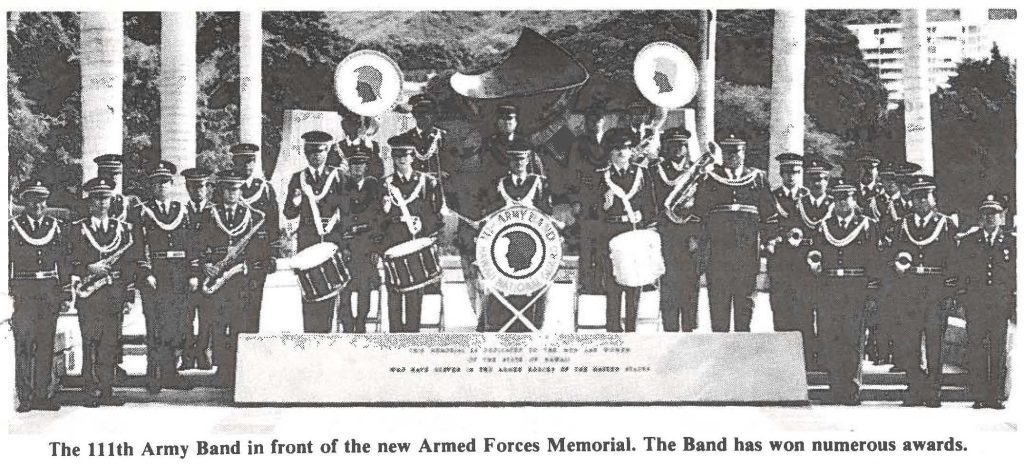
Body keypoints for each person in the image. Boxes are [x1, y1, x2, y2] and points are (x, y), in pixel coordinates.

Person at [806, 179, 882, 405]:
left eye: (846, 199)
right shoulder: (824, 226)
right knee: (830, 338)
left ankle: (852, 388)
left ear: (854, 200)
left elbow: (875, 261)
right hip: (830, 289)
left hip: (855, 289)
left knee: (853, 339)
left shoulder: (867, 225)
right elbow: (815, 255)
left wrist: (871, 293)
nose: (842, 204)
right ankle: (835, 387)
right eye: (838, 199)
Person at [886, 175, 958, 407]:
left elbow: (953, 262)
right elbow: (892, 256)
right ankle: (914, 388)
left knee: (935, 342)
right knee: (910, 341)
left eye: (925, 195)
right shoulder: (902, 225)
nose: (920, 201)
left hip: (935, 291)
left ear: (933, 198)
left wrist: (950, 295)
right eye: (916, 196)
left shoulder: (945, 224)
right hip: (908, 292)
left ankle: (934, 390)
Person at [70, 177, 139, 407]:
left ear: (111, 201)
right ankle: (90, 390)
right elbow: (67, 259)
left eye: (105, 198)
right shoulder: (78, 229)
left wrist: (128, 295)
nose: (101, 203)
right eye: (97, 198)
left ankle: (107, 389)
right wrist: (88, 267)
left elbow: (130, 265)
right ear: (89, 202)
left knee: (110, 341)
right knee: (90, 340)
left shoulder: (122, 229)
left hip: (113, 293)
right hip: (89, 294)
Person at [196, 170, 269, 386]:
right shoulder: (209, 214)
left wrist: (252, 269)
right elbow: (198, 243)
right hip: (218, 277)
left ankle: (238, 368)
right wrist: (205, 264)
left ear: (240, 192)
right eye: (228, 189)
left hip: (239, 278)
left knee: (239, 322)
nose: (231, 194)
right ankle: (221, 368)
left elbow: (258, 247)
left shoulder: (252, 215)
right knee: (219, 323)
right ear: (222, 191)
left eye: (235, 190)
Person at [690, 135, 770, 332]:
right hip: (718, 252)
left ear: (744, 154)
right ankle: (719, 352)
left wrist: (768, 242)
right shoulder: (709, 178)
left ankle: (741, 352)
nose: (733, 157)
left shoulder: (757, 177)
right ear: (722, 155)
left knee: (745, 304)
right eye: (728, 153)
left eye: (738, 152)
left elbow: (769, 214)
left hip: (747, 251)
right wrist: (696, 240)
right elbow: (698, 214)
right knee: (718, 302)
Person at [481, 142, 556, 332]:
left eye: (522, 159)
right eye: (514, 160)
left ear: (528, 160)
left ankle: (530, 321)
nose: (518, 164)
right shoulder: (499, 184)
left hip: (532, 243)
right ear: (509, 162)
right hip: (505, 243)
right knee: (503, 278)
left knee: (532, 280)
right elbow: (490, 211)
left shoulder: (539, 183)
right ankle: (502, 321)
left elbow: (547, 212)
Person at [8, 179, 69, 412]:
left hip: (49, 293)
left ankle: (43, 394)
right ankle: (25, 397)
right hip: (24, 293)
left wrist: (65, 292)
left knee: (45, 344)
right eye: (32, 199)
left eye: (42, 199)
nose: (38, 204)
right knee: (24, 345)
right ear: (24, 201)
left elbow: (62, 262)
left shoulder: (56, 226)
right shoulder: (12, 228)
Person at [590, 128, 659, 332]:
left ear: (632, 152)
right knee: (613, 282)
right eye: (617, 148)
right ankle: (613, 328)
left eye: (627, 148)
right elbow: (591, 210)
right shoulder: (601, 176)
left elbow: (650, 204)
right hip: (610, 231)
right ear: (610, 152)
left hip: (633, 229)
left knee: (634, 282)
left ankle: (631, 328)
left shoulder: (641, 173)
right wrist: (604, 205)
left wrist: (645, 222)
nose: (622, 152)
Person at [135, 161, 193, 393]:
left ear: (172, 184)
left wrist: (192, 273)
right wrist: (145, 272)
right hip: (155, 275)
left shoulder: (182, 210)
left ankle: (171, 372)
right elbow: (138, 245)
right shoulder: (142, 211)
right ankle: (154, 375)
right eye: (156, 183)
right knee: (154, 325)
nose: (161, 187)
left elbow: (190, 244)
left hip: (178, 275)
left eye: (165, 183)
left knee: (175, 325)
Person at [380, 135, 443, 333]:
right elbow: (376, 220)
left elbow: (436, 216)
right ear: (392, 158)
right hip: (392, 244)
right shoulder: (384, 185)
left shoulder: (427, 183)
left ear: (413, 157)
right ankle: (396, 336)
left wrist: (425, 231)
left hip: (416, 244)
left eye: (406, 156)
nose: (402, 160)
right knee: (395, 293)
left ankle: (412, 335)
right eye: (398, 156)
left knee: (415, 293)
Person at [956, 195, 1014, 409]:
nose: (990, 218)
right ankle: (979, 395)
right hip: (976, 304)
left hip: (1000, 304)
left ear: (1001, 217)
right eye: (986, 215)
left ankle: (996, 395)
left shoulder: (1011, 242)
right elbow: (962, 272)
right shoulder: (970, 242)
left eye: (994, 214)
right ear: (980, 218)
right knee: (976, 348)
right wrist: (963, 299)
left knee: (998, 348)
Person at [283, 131, 345, 333]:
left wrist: (344, 245)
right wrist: (295, 202)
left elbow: (347, 211)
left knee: (330, 293)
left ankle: (325, 339)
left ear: (327, 152)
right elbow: (289, 214)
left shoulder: (337, 176)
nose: (316, 156)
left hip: (331, 243)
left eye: (321, 151)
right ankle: (309, 337)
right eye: (312, 152)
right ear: (305, 153)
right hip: (308, 243)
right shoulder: (298, 178)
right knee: (309, 293)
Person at [652, 127, 704, 332]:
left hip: (690, 236)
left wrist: (697, 236)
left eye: (681, 145)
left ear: (686, 147)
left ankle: (689, 330)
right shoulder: (657, 171)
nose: (677, 149)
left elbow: (702, 205)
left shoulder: (697, 172)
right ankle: (670, 330)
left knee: (691, 284)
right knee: (669, 285)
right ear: (666, 147)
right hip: (667, 235)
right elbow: (652, 202)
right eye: (673, 145)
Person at [232, 143, 279, 334]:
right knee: (234, 303)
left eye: (250, 161)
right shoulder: (228, 188)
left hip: (259, 253)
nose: (246, 166)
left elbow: (273, 224)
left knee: (254, 300)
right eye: (241, 161)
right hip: (236, 254)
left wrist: (273, 253)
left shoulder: (265, 189)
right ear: (234, 163)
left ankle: (251, 341)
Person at [764, 153, 811, 342]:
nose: (791, 177)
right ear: (781, 174)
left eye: (795, 172)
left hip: (803, 259)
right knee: (780, 304)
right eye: (787, 172)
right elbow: (767, 223)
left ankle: (807, 353)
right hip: (781, 258)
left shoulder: (807, 197)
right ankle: (782, 348)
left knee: (804, 306)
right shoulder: (772, 197)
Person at [337, 145, 382, 333]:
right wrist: (343, 246)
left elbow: (380, 219)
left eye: (361, 164)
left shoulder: (374, 186)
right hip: (348, 247)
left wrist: (376, 249)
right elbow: (338, 218)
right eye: (354, 164)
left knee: (365, 287)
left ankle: (361, 322)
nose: (357, 168)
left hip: (366, 247)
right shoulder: (342, 187)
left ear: (366, 166)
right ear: (349, 166)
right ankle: (347, 324)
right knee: (345, 286)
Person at [568, 107, 608, 296]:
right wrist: (575, 200)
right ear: (586, 123)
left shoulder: (609, 142)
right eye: (591, 121)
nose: (594, 124)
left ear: (604, 121)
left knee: (603, 241)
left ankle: (600, 282)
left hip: (605, 199)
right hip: (585, 198)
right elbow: (573, 172)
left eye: (598, 120)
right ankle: (585, 283)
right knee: (586, 242)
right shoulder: (578, 144)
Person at [179, 167, 214, 371]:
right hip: (186, 271)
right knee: (186, 316)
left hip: (209, 271)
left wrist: (208, 264)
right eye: (192, 187)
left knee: (207, 315)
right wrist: (191, 270)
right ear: (187, 188)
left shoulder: (214, 211)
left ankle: (203, 353)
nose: (197, 190)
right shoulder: (181, 212)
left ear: (207, 188)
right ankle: (187, 355)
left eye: (200, 186)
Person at [333, 110, 385, 179]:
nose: (355, 125)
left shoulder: (372, 146)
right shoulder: (336, 147)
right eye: (348, 121)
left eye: (357, 122)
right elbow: (330, 172)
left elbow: (379, 171)